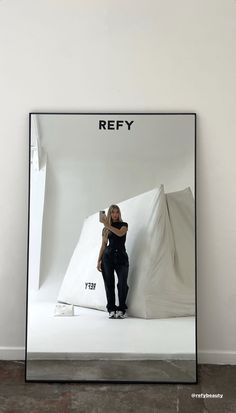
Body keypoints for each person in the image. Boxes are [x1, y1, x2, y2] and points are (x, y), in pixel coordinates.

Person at [97, 204, 129, 319]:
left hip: (121, 257)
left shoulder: (124, 225)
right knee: (109, 284)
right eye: (112, 212)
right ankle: (111, 309)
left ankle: (121, 309)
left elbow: (120, 233)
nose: (115, 214)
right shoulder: (105, 228)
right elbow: (104, 245)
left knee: (122, 284)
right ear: (109, 214)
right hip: (107, 257)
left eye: (117, 212)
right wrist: (99, 260)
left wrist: (107, 225)